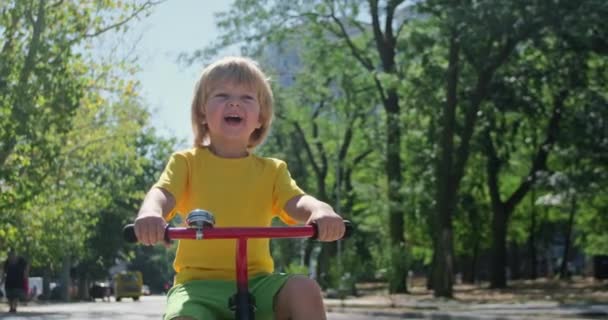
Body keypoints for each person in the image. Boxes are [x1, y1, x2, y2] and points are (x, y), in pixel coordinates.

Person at [134, 56, 345, 320]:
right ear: (202, 113)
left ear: (261, 117)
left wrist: (320, 210)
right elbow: (163, 193)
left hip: (258, 283)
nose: (234, 102)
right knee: (183, 318)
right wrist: (151, 214)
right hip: (197, 287)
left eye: (247, 98)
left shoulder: (272, 171)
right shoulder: (186, 163)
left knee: (304, 289)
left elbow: (297, 202)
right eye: (222, 95)